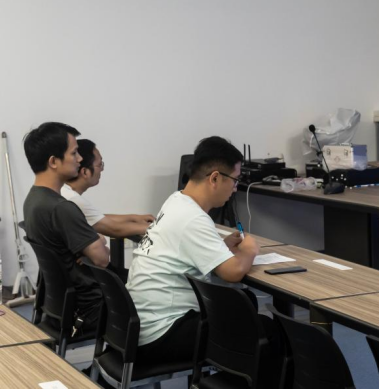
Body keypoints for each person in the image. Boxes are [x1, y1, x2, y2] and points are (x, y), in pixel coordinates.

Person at [126, 136, 279, 376]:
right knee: (267, 331)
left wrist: (220, 246)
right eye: (235, 180)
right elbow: (232, 273)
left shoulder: (176, 201)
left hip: (139, 326)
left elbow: (185, 248)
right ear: (215, 178)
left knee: (245, 303)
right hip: (162, 334)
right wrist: (250, 248)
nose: (235, 188)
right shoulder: (193, 218)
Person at [22, 122, 109, 336]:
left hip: (61, 307)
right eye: (74, 153)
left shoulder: (33, 199)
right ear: (53, 161)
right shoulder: (61, 208)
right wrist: (98, 240)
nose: (79, 159)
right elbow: (102, 259)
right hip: (90, 309)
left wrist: (87, 247)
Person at [61, 139, 155, 238]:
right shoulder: (72, 199)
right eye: (99, 165)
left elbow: (97, 218)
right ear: (85, 172)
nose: (102, 169)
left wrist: (134, 218)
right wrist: (158, 228)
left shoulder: (65, 191)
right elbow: (115, 229)